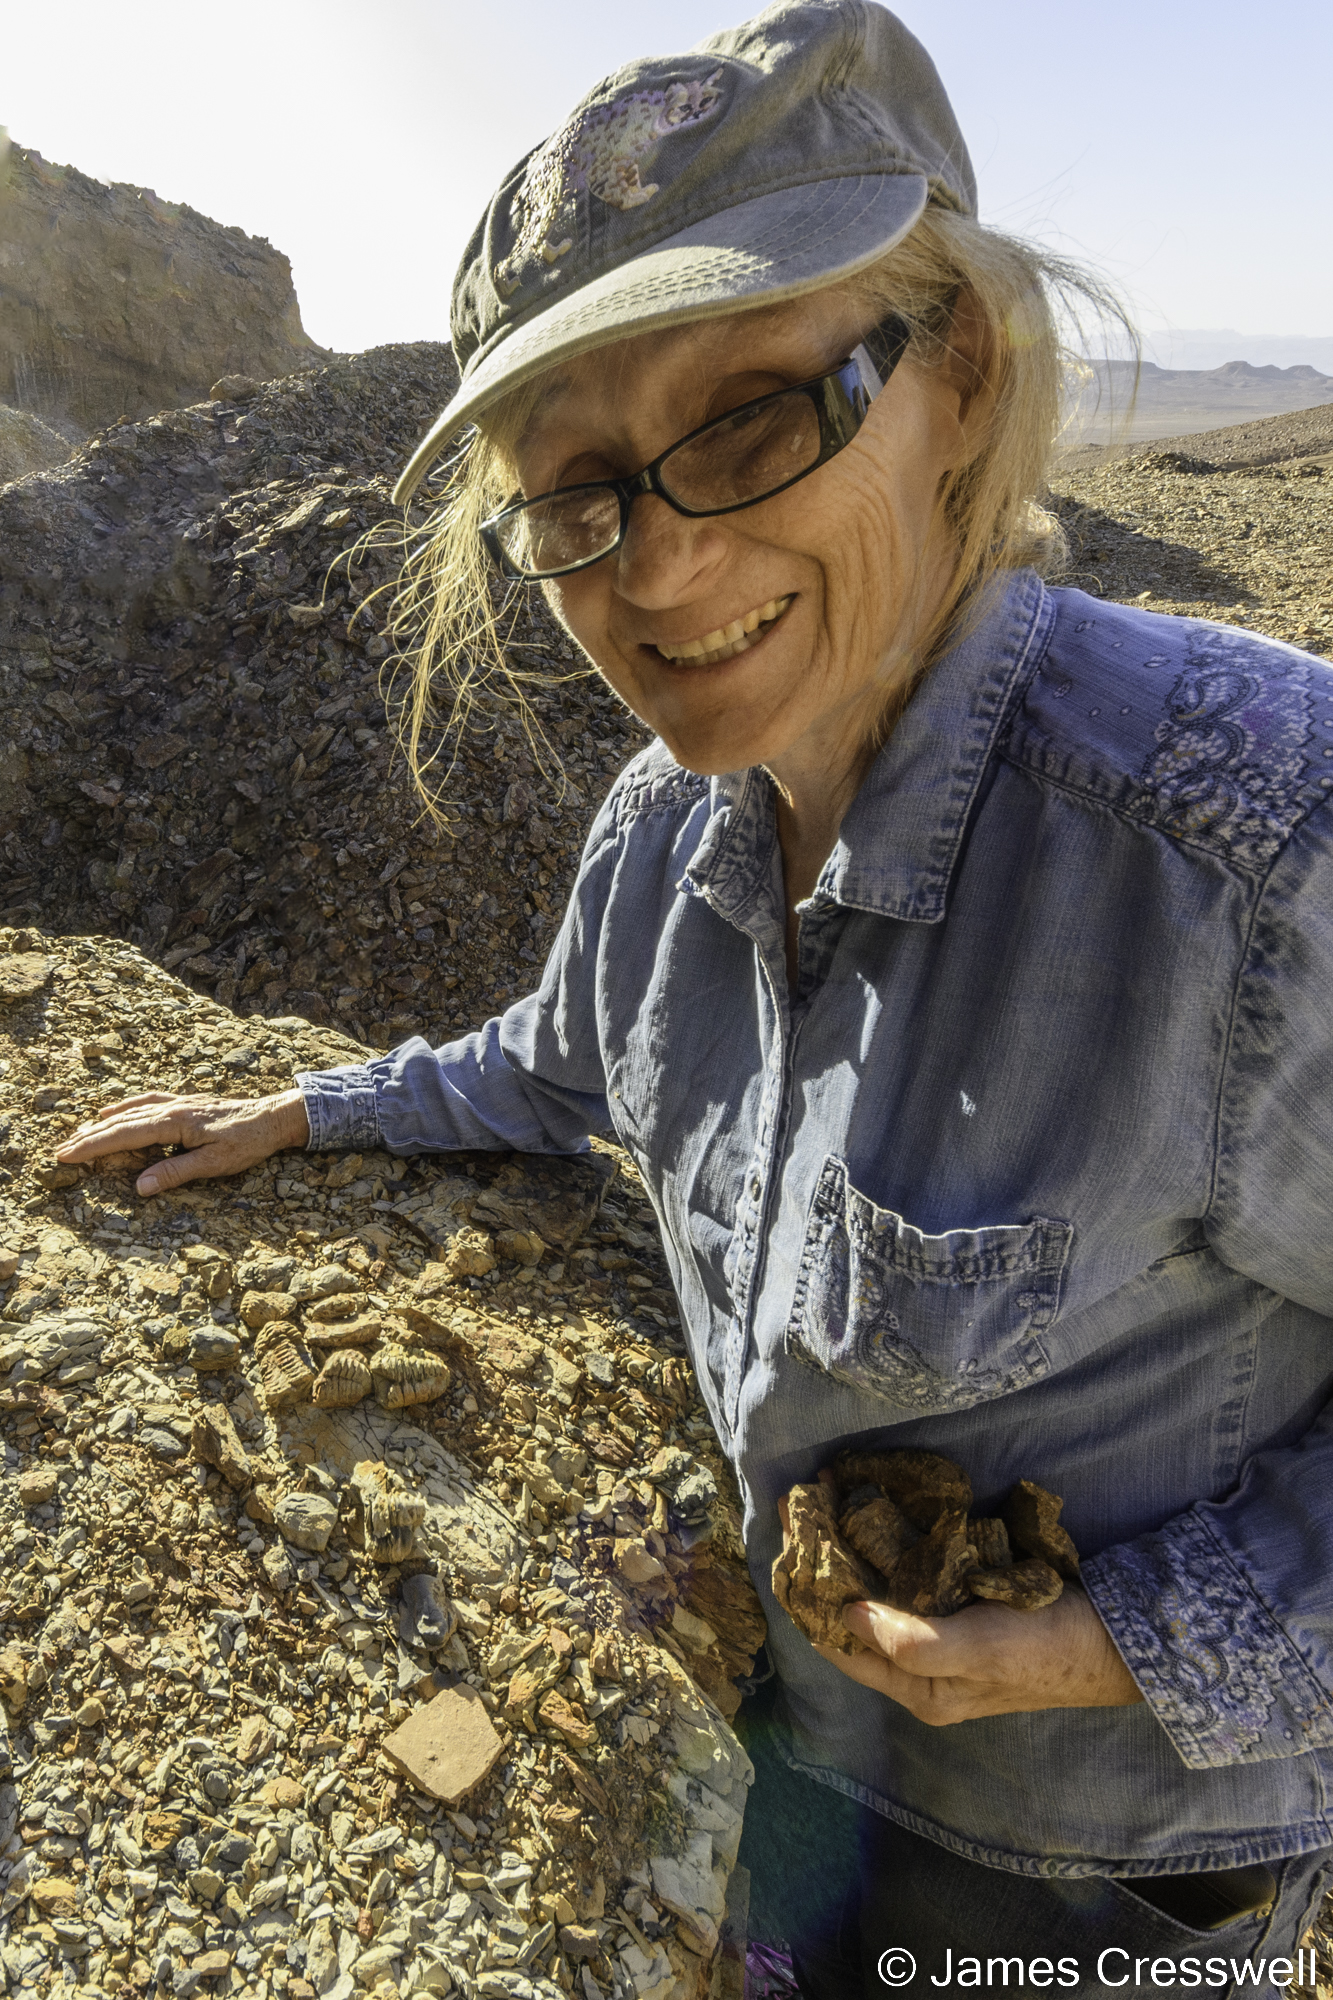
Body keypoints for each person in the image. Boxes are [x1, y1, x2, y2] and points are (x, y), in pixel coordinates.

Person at [58, 3, 1333, 1993]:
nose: (659, 562)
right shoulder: (671, 829)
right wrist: (303, 1115)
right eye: (577, 497)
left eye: (747, 419)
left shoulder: (1251, 848)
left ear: (959, 374)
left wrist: (1117, 1640)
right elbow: (565, 1054)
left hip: (1105, 1885)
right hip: (797, 1776)